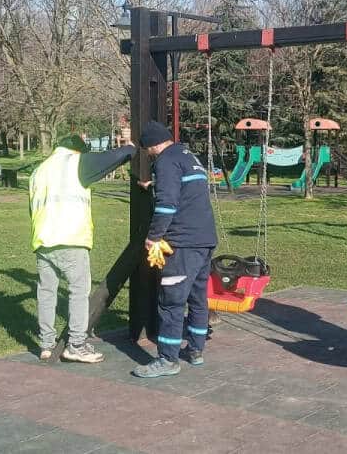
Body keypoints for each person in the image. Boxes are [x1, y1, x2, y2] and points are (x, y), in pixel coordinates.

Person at [29, 134, 135, 363]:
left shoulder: (39, 170)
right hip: (71, 239)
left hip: (43, 241)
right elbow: (112, 157)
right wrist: (131, 148)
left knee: (46, 293)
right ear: (78, 151)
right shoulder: (76, 162)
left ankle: (47, 344)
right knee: (78, 292)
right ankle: (76, 345)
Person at [132, 121, 218, 379]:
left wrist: (153, 237)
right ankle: (196, 350)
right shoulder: (189, 157)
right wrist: (154, 186)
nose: (148, 154)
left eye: (146, 149)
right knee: (198, 298)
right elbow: (185, 192)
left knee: (171, 301)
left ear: (152, 145)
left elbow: (167, 204)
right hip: (204, 239)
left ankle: (167, 359)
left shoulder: (165, 161)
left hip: (182, 243)